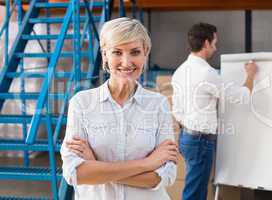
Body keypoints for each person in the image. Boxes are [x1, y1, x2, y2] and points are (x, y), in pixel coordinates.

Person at [60, 17, 177, 200]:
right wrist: (147, 163)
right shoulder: (81, 104)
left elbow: (161, 177)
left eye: (135, 52)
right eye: (117, 52)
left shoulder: (158, 104)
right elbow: (76, 174)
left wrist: (96, 165)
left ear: (145, 53)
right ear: (105, 55)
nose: (126, 61)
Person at [171, 22, 257, 200]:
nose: (215, 48)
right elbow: (241, 97)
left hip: (187, 137)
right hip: (200, 141)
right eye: (214, 43)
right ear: (206, 43)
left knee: (197, 189)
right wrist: (250, 75)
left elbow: (176, 110)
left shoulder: (179, 71)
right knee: (195, 193)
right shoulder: (206, 73)